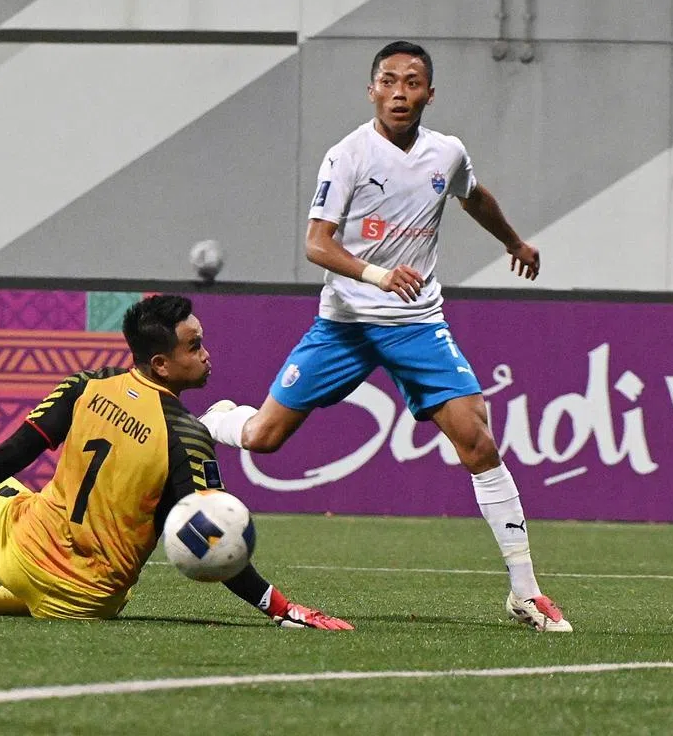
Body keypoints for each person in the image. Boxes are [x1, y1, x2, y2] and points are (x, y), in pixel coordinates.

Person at [200, 41, 571, 632]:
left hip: (418, 322)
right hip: (345, 323)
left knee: (477, 442)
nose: (400, 92)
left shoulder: (445, 153)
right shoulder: (346, 156)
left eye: (413, 82)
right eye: (389, 81)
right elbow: (317, 245)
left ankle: (525, 591)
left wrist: (512, 241)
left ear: (429, 92)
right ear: (372, 90)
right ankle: (218, 418)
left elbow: (474, 195)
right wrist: (377, 274)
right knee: (263, 437)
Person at [0, 294, 351, 630]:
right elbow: (214, 547)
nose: (206, 353)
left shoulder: (85, 387)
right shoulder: (188, 439)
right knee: (89, 582)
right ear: (161, 363)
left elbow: (14, 453)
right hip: (92, 603)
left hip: (24, 554)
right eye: (193, 345)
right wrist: (280, 607)